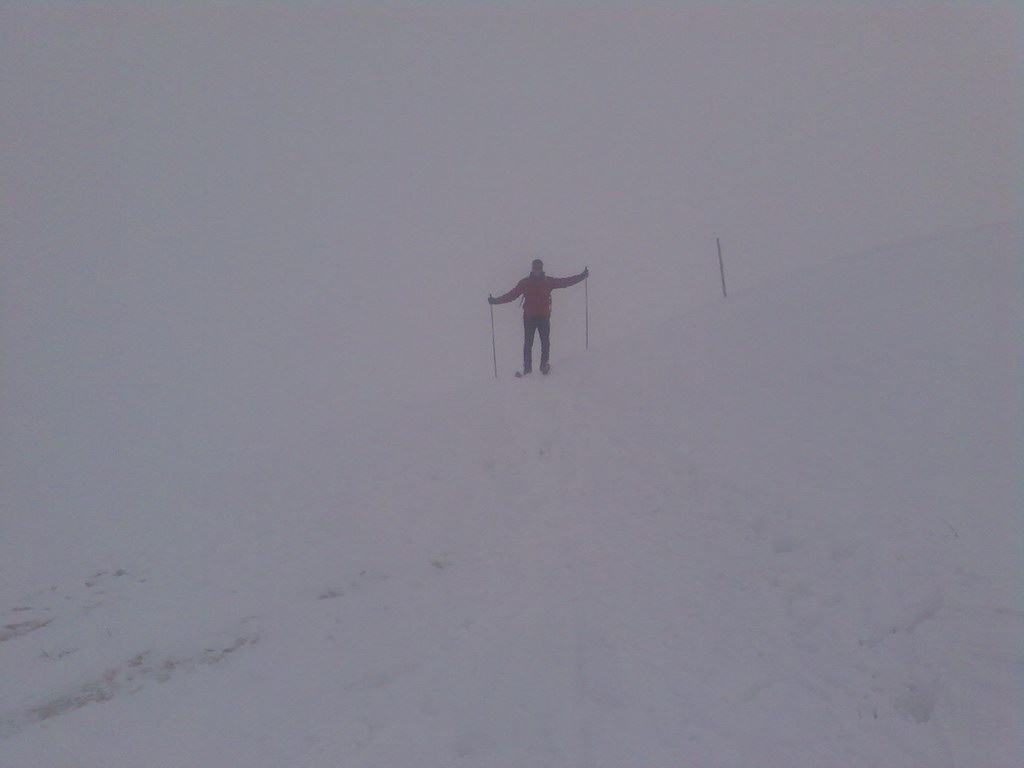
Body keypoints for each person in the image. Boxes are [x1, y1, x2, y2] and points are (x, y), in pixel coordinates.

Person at [489, 259, 588, 375]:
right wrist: (495, 301)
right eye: (535, 268)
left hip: (542, 317)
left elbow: (565, 282)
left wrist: (582, 276)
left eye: (539, 268)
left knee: (545, 342)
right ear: (532, 269)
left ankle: (543, 365)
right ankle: (527, 368)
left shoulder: (546, 282)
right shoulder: (526, 283)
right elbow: (511, 295)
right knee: (528, 343)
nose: (537, 271)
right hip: (530, 317)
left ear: (541, 269)